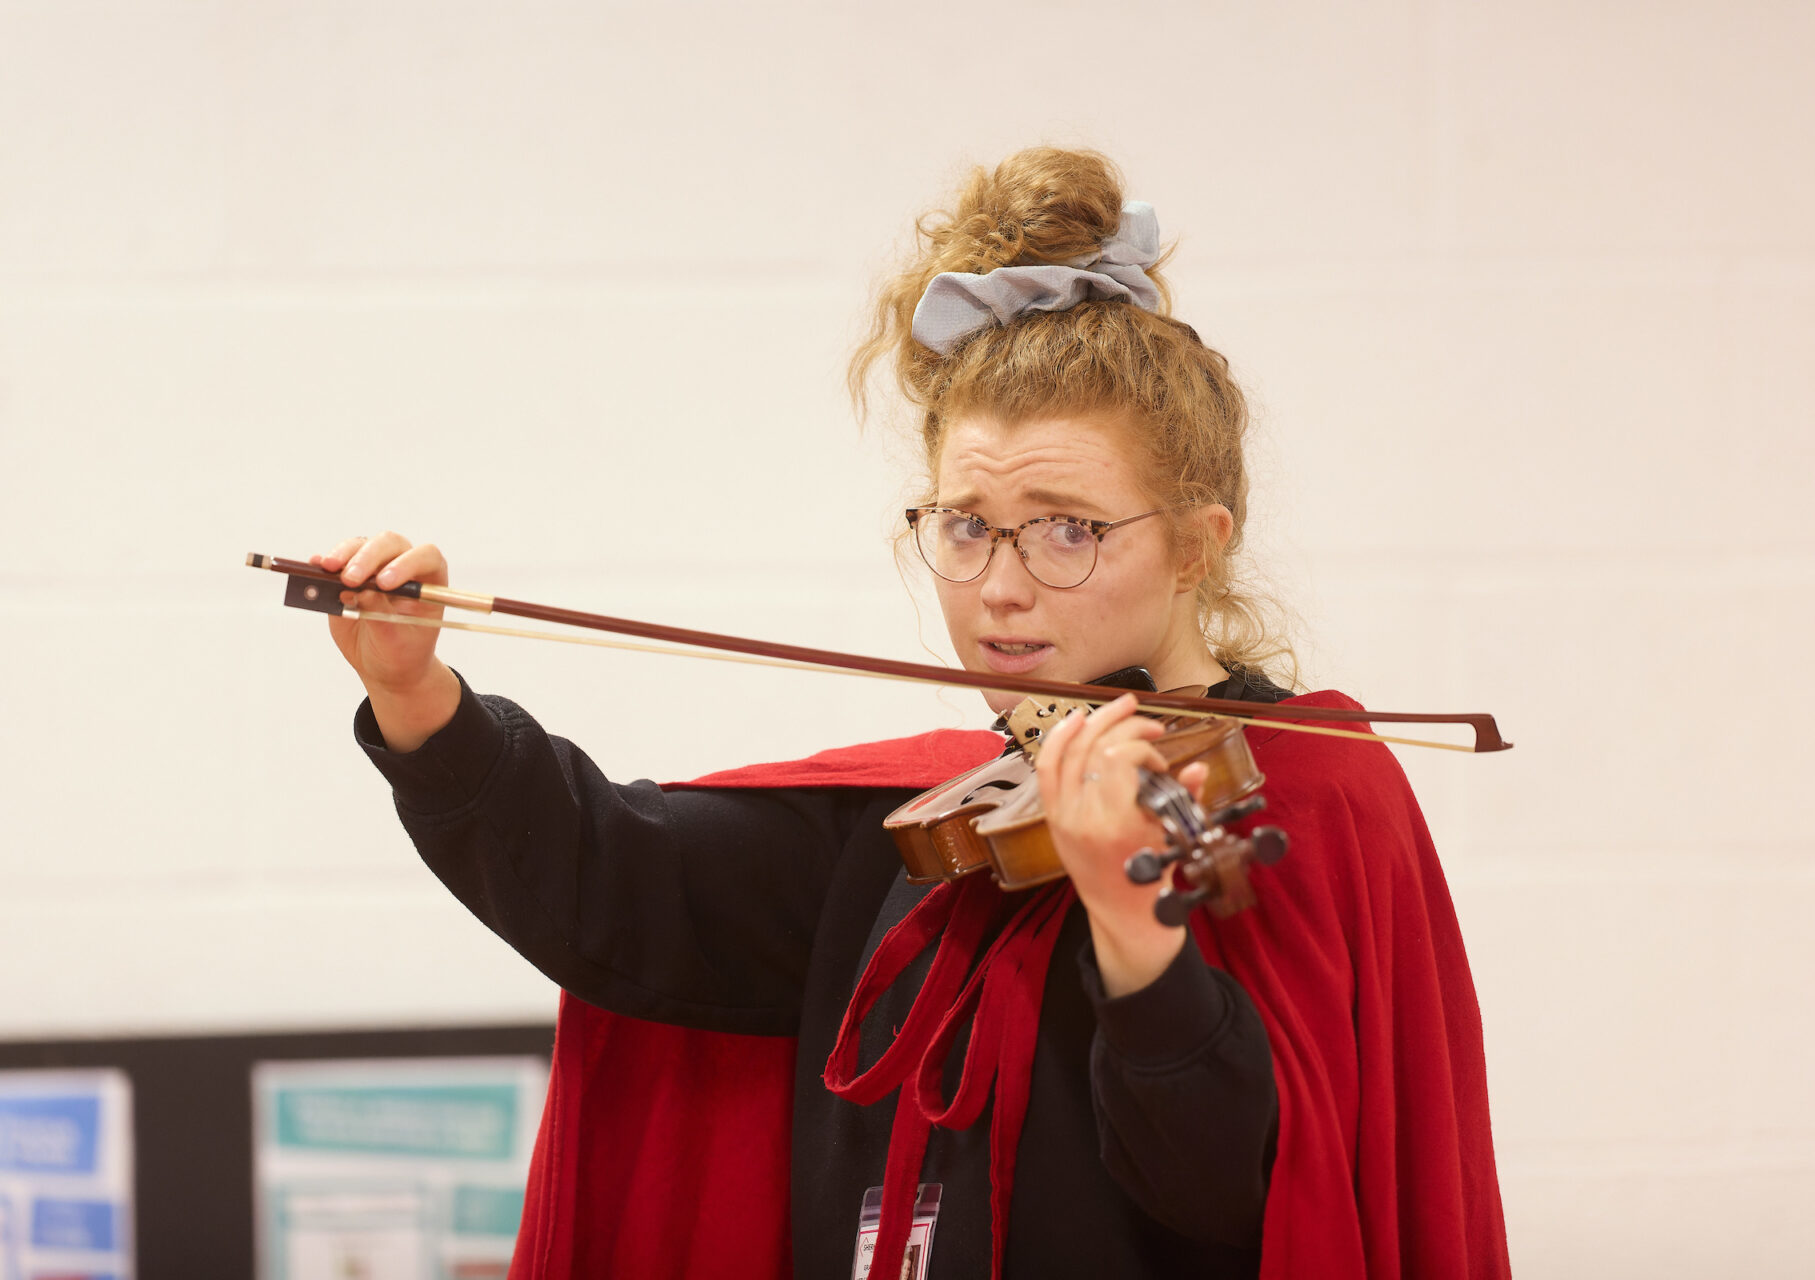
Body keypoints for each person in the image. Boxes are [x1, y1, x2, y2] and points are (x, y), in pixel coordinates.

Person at [316, 147, 1509, 1279]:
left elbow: (1243, 1199)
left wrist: (1139, 937)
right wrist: (418, 694)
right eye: (965, 523)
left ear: (1198, 544)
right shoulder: (929, 823)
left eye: (1067, 527)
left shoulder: (1306, 796)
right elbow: (618, 881)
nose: (998, 583)